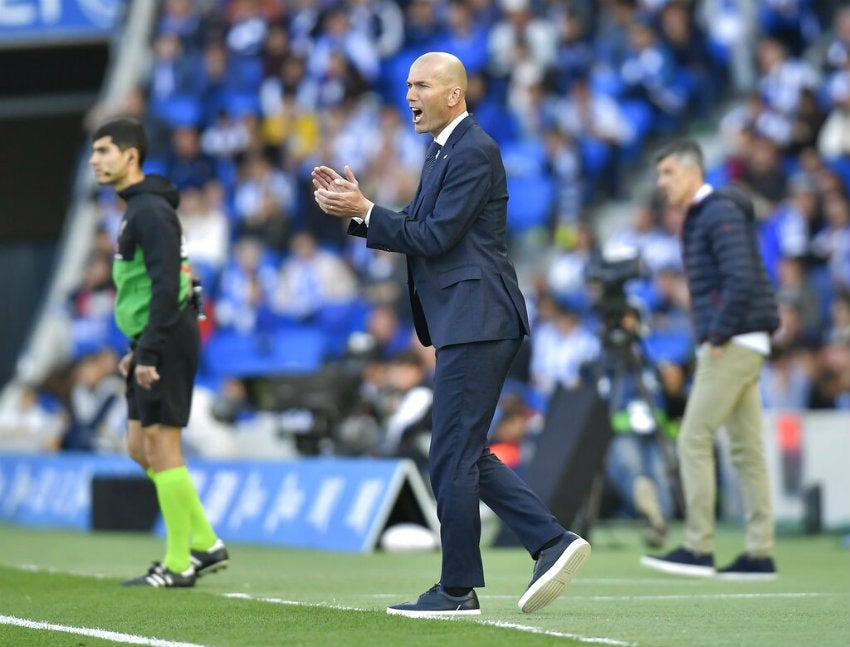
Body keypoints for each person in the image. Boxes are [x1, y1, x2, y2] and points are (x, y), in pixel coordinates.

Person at [312, 51, 590, 617]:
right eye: (407, 85)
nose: (409, 95)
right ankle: (546, 542)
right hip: (468, 318)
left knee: (451, 454)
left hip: (479, 316)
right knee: (458, 452)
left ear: (453, 95)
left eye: (420, 85)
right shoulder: (444, 150)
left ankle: (463, 585)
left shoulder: (474, 150)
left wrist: (367, 207)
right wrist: (359, 212)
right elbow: (417, 228)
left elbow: (434, 236)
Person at [89, 118, 228, 587]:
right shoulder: (138, 208)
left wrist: (148, 351)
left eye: (104, 151)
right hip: (149, 337)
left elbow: (170, 285)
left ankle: (178, 563)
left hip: (165, 336)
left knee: (163, 448)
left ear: (131, 156)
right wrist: (138, 347)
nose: (95, 160)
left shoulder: (149, 211)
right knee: (138, 447)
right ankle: (206, 543)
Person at [641, 139, 780, 579]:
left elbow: (739, 278)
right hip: (744, 338)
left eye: (667, 173)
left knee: (693, 438)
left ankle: (698, 547)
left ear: (689, 171)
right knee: (746, 449)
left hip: (733, 340)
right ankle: (760, 554)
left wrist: (717, 333)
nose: (661, 183)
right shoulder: (713, 213)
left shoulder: (715, 212)